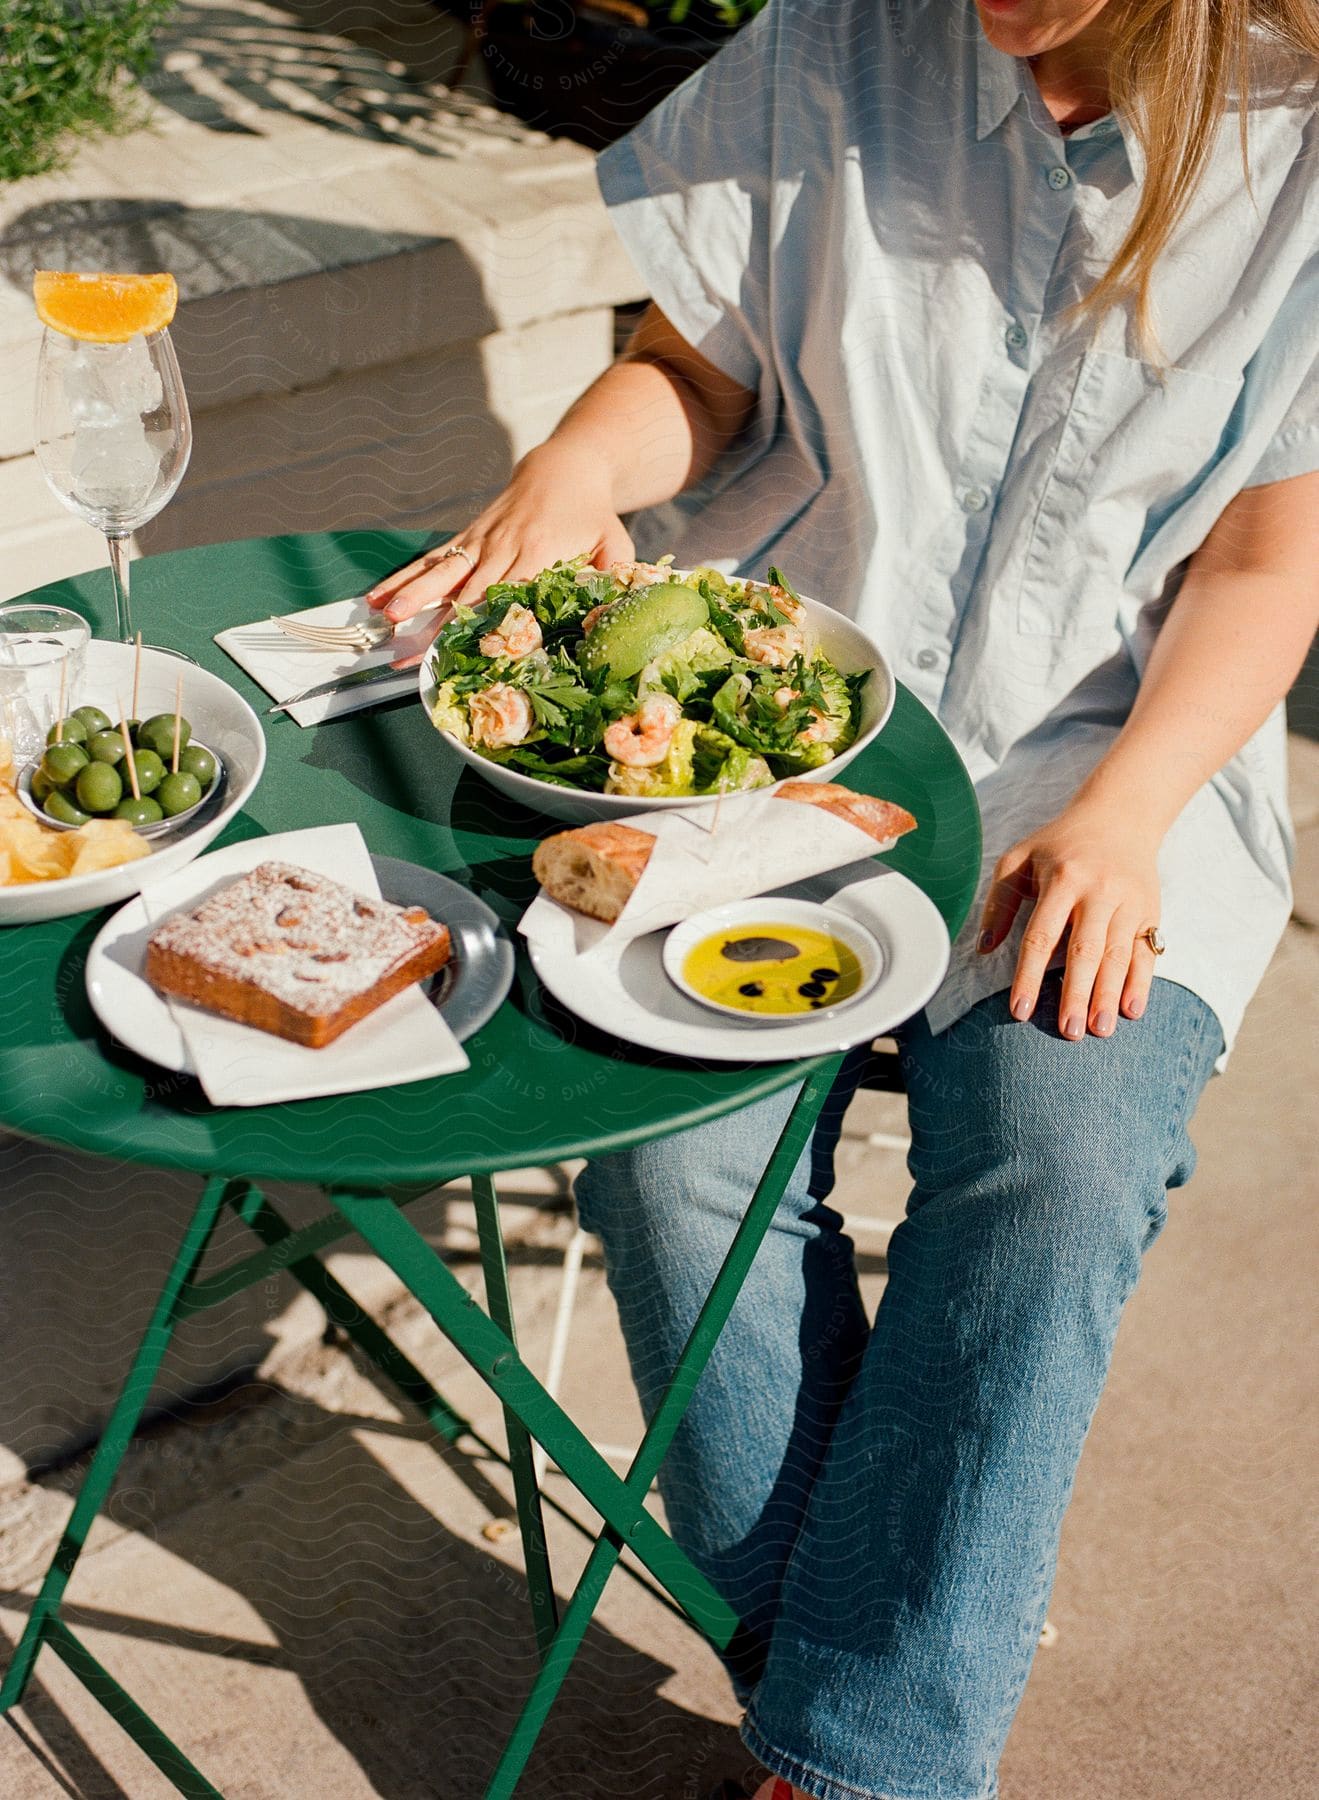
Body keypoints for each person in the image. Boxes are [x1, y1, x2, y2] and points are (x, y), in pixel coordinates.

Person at [370, 1, 1319, 1793]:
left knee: (1061, 1155)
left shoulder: (1304, 141)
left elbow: (1274, 561)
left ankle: (855, 1737)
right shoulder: (834, 43)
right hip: (780, 743)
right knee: (669, 1149)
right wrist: (580, 462)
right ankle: (867, 1687)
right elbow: (696, 368)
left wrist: (1124, 815)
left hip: (1107, 759)